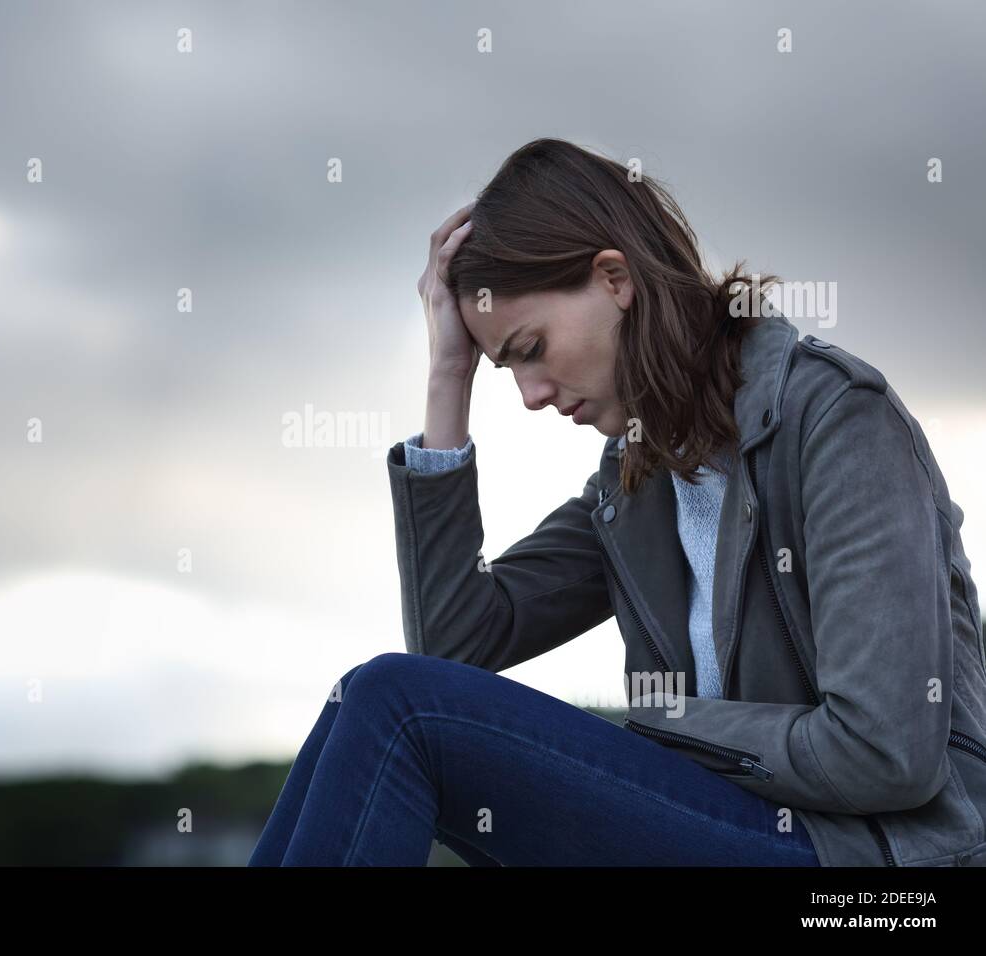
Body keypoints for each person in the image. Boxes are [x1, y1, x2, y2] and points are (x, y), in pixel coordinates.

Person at [248, 138, 986, 867]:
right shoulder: (634, 481)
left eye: (530, 348)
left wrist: (664, 726)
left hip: (873, 868)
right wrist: (448, 374)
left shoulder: (837, 419)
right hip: (727, 829)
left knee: (396, 704)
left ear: (614, 278)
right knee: (368, 700)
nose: (531, 396)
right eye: (505, 369)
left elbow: (886, 755)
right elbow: (455, 649)